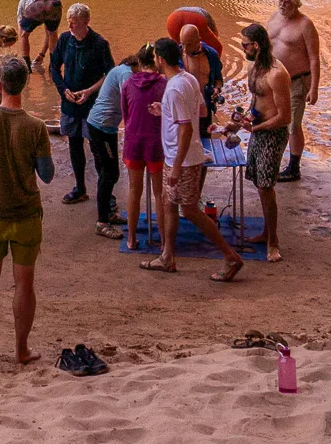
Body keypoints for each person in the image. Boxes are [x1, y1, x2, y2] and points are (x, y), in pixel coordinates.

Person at [0, 55, 57, 362]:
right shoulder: (36, 127)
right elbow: (47, 175)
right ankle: (21, 349)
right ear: (25, 84)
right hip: (27, 215)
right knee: (25, 284)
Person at [143, 37, 242, 281]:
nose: (154, 60)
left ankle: (231, 257)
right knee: (168, 202)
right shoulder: (188, 79)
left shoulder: (175, 87)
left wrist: (176, 167)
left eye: (155, 56)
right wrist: (165, 110)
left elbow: (186, 128)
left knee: (190, 210)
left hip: (182, 159)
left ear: (161, 60)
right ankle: (167, 256)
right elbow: (200, 111)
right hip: (181, 156)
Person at [48, 3, 115, 209]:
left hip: (92, 104)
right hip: (70, 103)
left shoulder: (99, 43)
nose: (70, 25)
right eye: (68, 21)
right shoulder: (65, 40)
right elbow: (54, 67)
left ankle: (105, 193)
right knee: (74, 146)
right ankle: (80, 188)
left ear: (85, 22)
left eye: (74, 22)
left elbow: (110, 74)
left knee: (97, 149)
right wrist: (63, 89)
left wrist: (89, 91)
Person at [236, 22, 292, 262]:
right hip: (259, 129)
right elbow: (257, 102)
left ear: (256, 46)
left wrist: (255, 127)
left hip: (273, 133)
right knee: (259, 182)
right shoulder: (256, 68)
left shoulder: (277, 74)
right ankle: (266, 232)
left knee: (267, 186)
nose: (242, 48)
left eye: (244, 45)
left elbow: (284, 116)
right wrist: (244, 119)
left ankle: (273, 243)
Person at [266, 0, 324, 182]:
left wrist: (314, 88)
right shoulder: (274, 17)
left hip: (296, 81)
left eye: (288, 3)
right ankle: (272, 157)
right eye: (281, 1)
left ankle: (293, 166)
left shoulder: (305, 25)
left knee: (292, 124)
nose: (283, 5)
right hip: (273, 80)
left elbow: (314, 58)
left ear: (297, 5)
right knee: (271, 119)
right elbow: (265, 48)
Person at [118, 42, 167, 249]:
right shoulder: (164, 84)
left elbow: (125, 115)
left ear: (138, 61)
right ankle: (165, 241)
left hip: (133, 141)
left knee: (134, 190)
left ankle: (131, 238)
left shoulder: (128, 84)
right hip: (156, 143)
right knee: (159, 193)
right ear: (156, 62)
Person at [83, 42, 133, 230]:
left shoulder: (122, 70)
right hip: (101, 127)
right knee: (110, 173)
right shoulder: (127, 74)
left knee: (109, 172)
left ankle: (107, 214)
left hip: (106, 127)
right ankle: (102, 221)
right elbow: (128, 102)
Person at [15, 0, 64, 84]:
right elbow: (49, 35)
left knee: (24, 35)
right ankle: (53, 68)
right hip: (54, 2)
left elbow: (22, 35)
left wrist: (41, 54)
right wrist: (42, 54)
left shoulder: (22, 5)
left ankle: (27, 68)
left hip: (34, 6)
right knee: (52, 33)